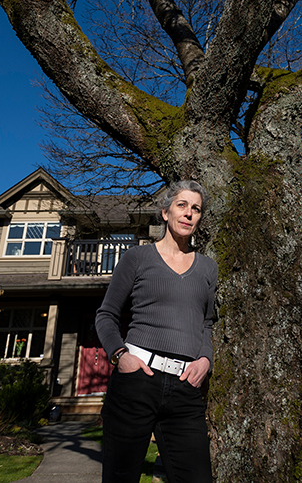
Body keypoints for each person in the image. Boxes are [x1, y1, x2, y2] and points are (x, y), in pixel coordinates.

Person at [95, 180, 218, 483]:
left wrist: (205, 359)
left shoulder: (207, 268)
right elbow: (106, 315)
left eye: (196, 209)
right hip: (136, 380)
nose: (189, 213)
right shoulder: (136, 259)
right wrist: (120, 355)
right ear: (165, 212)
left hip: (185, 387)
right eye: (182, 205)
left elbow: (207, 322)